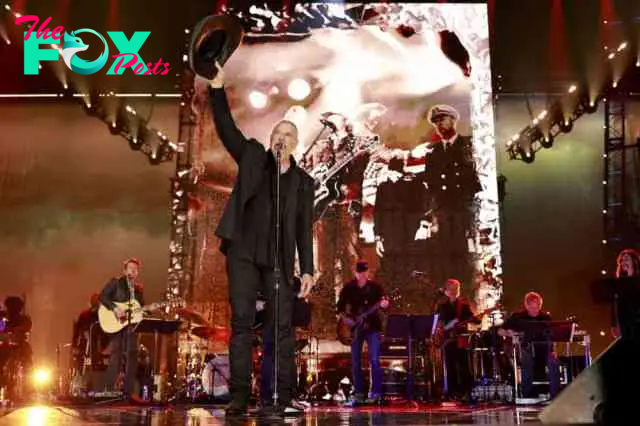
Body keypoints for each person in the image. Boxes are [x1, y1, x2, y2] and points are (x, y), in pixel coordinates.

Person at [206, 61, 315, 417]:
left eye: (288, 135)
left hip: (279, 259)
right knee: (241, 324)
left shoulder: (303, 183)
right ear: (271, 141)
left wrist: (308, 269)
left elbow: (302, 228)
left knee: (281, 328)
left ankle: (281, 397)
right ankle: (239, 397)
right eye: (277, 134)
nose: (281, 138)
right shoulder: (253, 156)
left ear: (296, 143)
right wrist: (217, 89)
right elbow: (226, 129)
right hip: (243, 252)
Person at [421, 105, 481, 289]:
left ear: (453, 120)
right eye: (436, 121)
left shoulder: (469, 145)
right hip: (444, 211)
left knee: (465, 252)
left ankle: (467, 290)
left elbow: (477, 179)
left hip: (464, 210)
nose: (439, 124)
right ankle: (448, 292)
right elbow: (430, 185)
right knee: (444, 252)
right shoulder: (434, 152)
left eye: (443, 119)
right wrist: (432, 214)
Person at [337, 260, 389, 405]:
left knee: (374, 360)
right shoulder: (349, 288)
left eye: (365, 272)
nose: (363, 275)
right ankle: (359, 392)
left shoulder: (375, 288)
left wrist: (384, 304)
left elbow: (384, 303)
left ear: (368, 272)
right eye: (360, 272)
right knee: (355, 362)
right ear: (355, 273)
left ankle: (376, 392)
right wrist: (347, 320)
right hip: (355, 329)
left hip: (372, 327)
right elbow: (339, 308)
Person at [98, 258, 145, 399]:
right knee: (117, 353)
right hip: (115, 322)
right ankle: (109, 389)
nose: (133, 271)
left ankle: (128, 392)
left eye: (135, 269)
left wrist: (147, 310)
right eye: (130, 268)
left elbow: (140, 308)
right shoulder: (116, 283)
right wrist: (115, 308)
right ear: (124, 270)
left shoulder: (138, 289)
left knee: (133, 353)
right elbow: (102, 297)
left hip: (131, 325)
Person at [500, 292, 560, 401]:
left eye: (537, 306)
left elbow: (552, 336)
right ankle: (527, 395)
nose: (535, 310)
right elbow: (500, 331)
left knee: (554, 361)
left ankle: (555, 395)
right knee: (526, 359)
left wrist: (553, 350)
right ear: (526, 305)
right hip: (525, 349)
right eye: (532, 307)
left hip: (544, 350)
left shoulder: (545, 317)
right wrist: (511, 333)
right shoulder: (518, 317)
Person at [435, 278, 478, 401]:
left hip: (460, 339)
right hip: (447, 340)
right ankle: (452, 392)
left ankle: (466, 391)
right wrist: (441, 330)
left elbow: (473, 318)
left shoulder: (463, 305)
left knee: (463, 365)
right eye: (451, 289)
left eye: (456, 289)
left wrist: (477, 318)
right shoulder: (442, 305)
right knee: (450, 365)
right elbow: (438, 322)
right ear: (446, 290)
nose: (454, 291)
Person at [71, 293, 108, 389]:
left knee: (97, 363)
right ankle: (80, 382)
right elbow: (77, 331)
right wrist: (74, 346)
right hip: (85, 344)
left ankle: (97, 384)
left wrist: (105, 347)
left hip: (97, 345)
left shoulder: (103, 315)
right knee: (80, 361)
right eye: (94, 301)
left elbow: (106, 332)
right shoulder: (84, 315)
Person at [0, 296, 33, 395]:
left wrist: (19, 330)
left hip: (20, 345)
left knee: (28, 361)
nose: (13, 309)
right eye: (11, 306)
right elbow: (1, 328)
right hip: (5, 345)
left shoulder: (24, 319)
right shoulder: (3, 317)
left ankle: (29, 386)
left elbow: (27, 327)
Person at [611, 248, 640, 339]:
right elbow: (615, 306)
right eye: (621, 260)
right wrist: (614, 325)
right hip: (624, 323)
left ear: (634, 261)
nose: (623, 262)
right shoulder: (619, 283)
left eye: (627, 259)